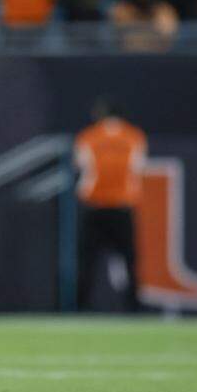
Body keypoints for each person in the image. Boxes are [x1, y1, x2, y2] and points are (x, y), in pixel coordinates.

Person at [74, 98, 146, 312]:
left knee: (87, 261)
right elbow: (138, 167)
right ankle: (133, 307)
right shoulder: (134, 136)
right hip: (123, 207)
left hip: (95, 206)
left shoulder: (88, 137)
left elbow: (80, 166)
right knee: (129, 260)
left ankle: (81, 307)